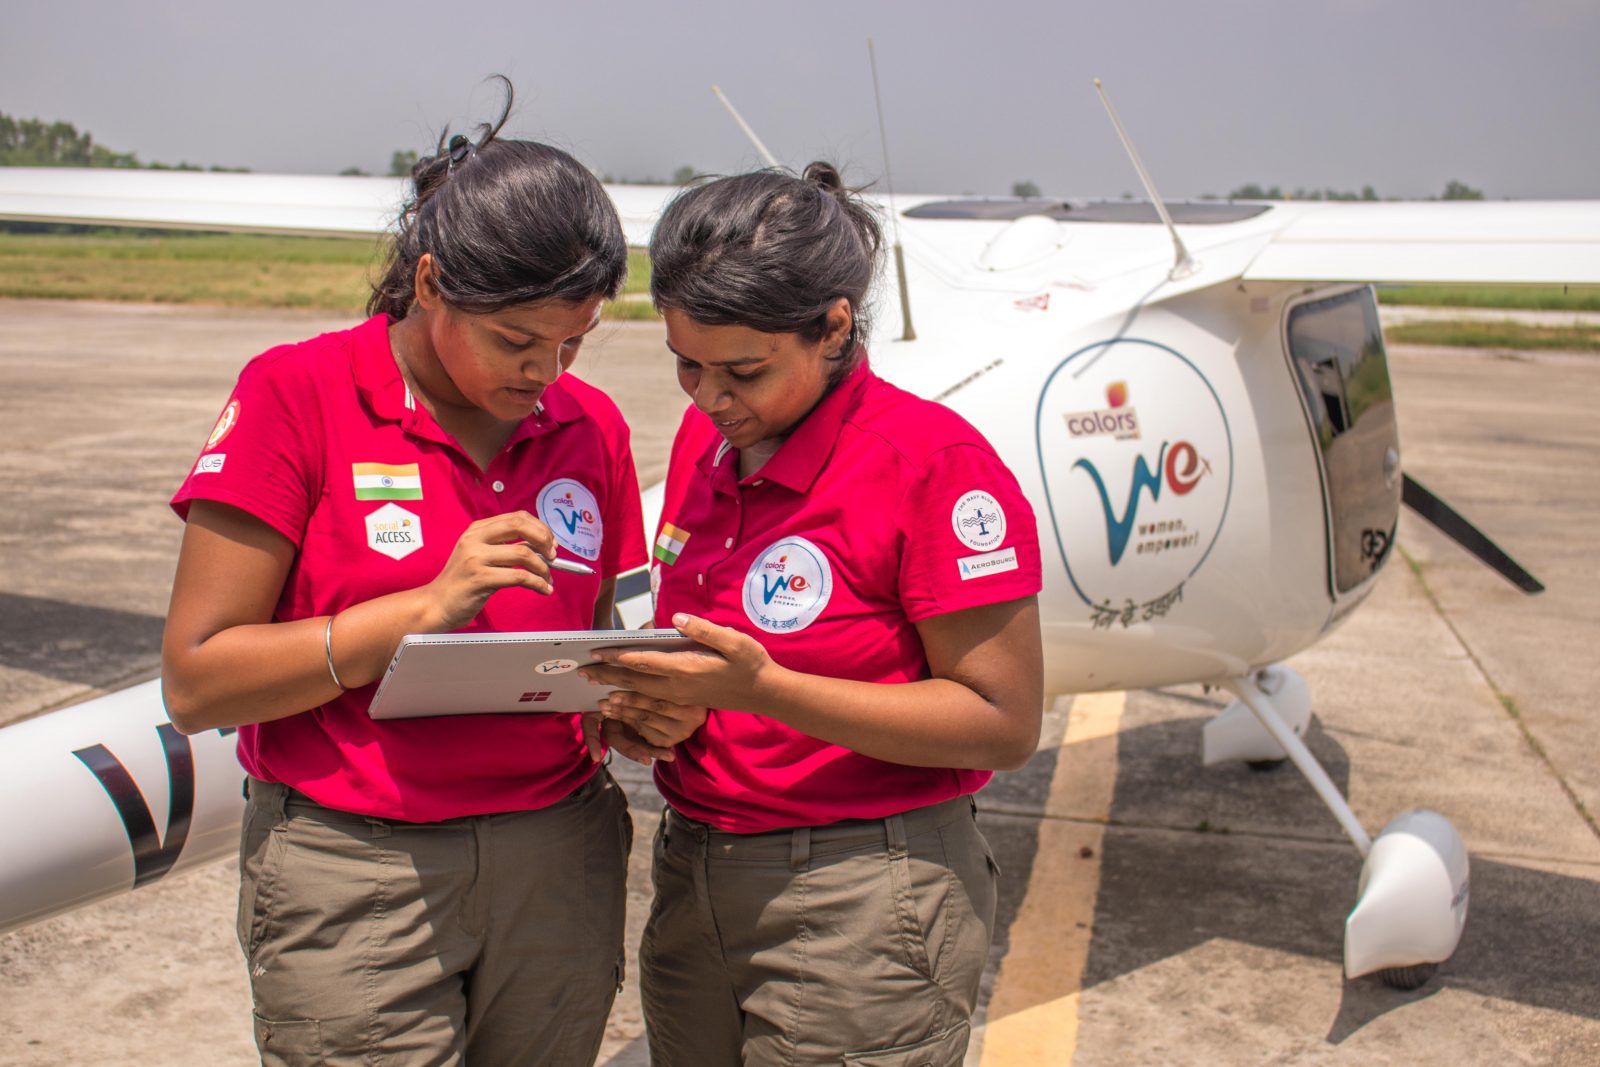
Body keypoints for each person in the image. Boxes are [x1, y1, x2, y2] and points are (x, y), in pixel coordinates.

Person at [159, 86, 681, 1065]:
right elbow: (197, 680)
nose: (547, 369)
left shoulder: (588, 425)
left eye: (573, 341)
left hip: (556, 857)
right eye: (516, 341)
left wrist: (647, 706)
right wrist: (421, 609)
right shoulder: (296, 396)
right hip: (358, 866)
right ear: (433, 282)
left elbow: (617, 631)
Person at [580, 164, 1045, 1066]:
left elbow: (1002, 721)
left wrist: (767, 690)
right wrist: (655, 707)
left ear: (835, 325)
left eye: (743, 371)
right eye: (686, 363)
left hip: (862, 897)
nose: (710, 399)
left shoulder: (931, 467)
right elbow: (708, 652)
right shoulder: (711, 441)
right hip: (697, 869)